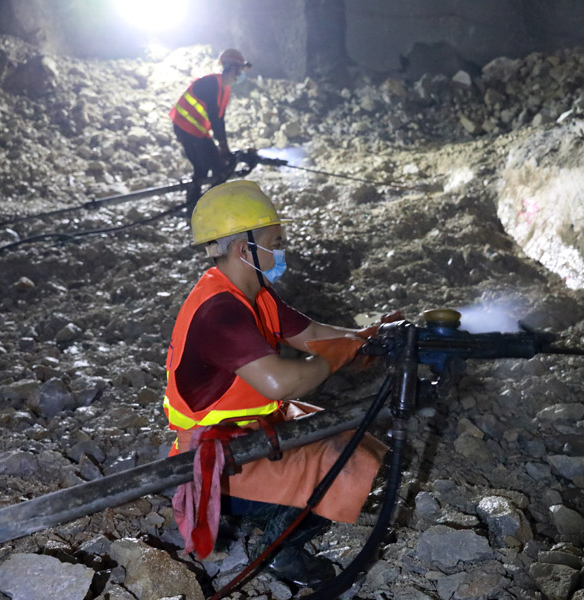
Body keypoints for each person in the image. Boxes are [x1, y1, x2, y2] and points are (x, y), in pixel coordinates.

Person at [163, 180, 387, 588]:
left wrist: (364, 339)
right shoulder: (220, 312)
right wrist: (335, 357)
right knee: (347, 460)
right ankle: (277, 551)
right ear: (244, 249)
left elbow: (313, 332)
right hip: (216, 461)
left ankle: (272, 512)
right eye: (275, 241)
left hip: (248, 435)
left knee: (354, 439)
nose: (281, 250)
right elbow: (281, 383)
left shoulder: (254, 293)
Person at [170, 48, 251, 212]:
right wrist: (222, 145)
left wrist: (224, 146)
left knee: (219, 166)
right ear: (230, 67)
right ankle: (192, 208)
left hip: (199, 131)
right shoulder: (210, 83)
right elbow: (214, 116)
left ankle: (212, 205)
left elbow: (220, 119)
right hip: (184, 126)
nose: (241, 73)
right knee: (201, 166)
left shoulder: (225, 90)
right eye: (240, 69)